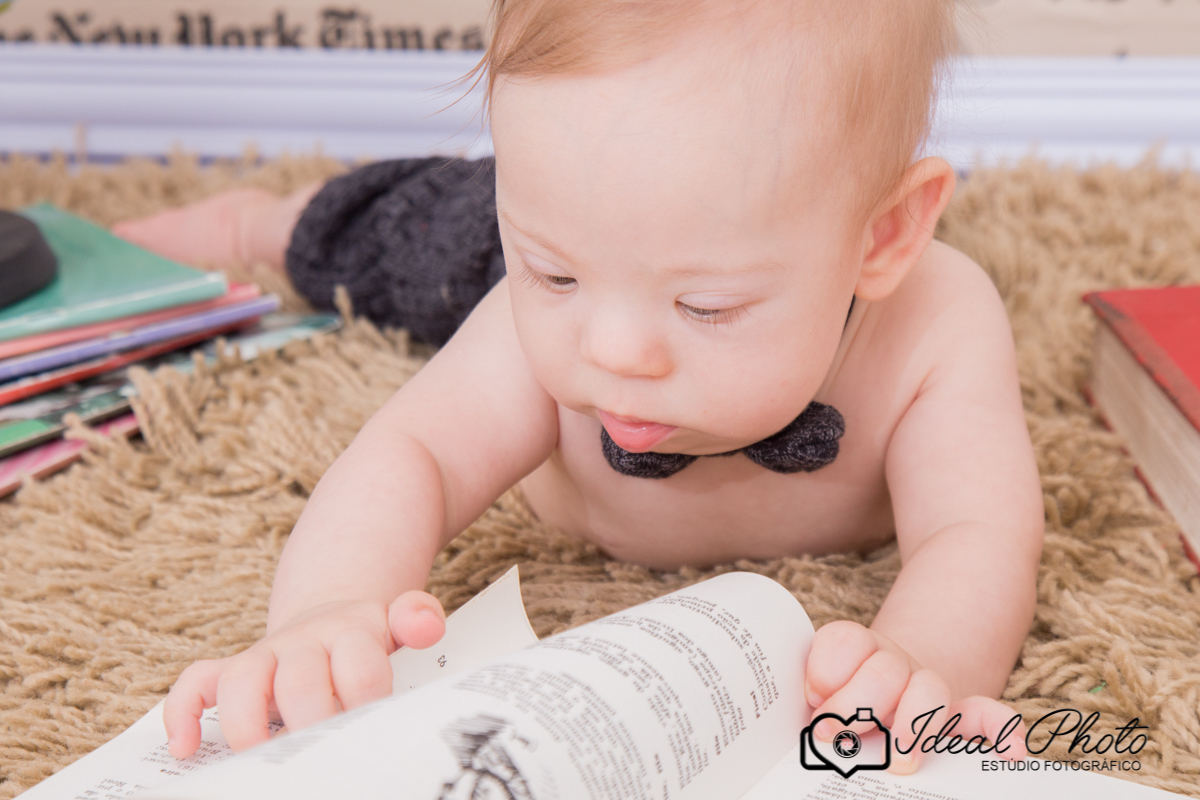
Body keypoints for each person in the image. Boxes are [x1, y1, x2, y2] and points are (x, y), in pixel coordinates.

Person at [116, 0, 1044, 774]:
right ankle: (261, 221)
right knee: (388, 238)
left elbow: (978, 529)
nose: (610, 350)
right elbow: (416, 452)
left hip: (581, 220)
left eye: (707, 305)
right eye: (557, 279)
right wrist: (328, 607)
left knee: (598, 236)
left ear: (880, 240)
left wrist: (924, 659)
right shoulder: (533, 302)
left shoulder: (938, 326)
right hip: (483, 239)